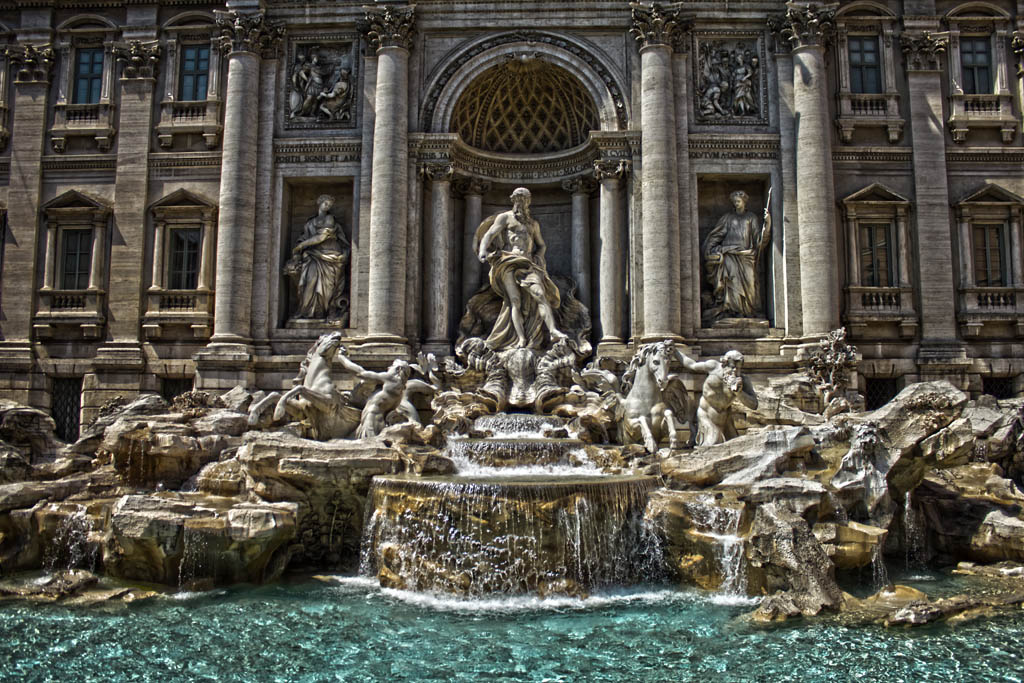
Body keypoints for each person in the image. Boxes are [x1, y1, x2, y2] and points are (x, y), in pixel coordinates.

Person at [476, 187, 566, 350]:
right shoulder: (505, 218)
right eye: (518, 199)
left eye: (524, 199)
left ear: (528, 202)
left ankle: (553, 331)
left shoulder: (533, 224)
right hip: (508, 261)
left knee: (540, 295)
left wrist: (539, 258)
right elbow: (489, 234)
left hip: (528, 263)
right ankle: (521, 339)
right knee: (514, 301)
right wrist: (483, 250)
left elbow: (541, 245)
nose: (521, 202)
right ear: (513, 201)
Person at [702, 189, 771, 320]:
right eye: (734, 202)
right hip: (730, 255)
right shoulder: (727, 218)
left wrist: (767, 224)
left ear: (744, 202)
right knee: (731, 282)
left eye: (738, 201)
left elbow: (759, 241)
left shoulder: (751, 218)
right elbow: (716, 236)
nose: (736, 204)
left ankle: (748, 312)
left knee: (750, 285)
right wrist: (711, 249)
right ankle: (731, 311)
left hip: (747, 256)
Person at [285, 194, 350, 321]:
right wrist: (299, 248)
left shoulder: (330, 219)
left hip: (331, 256)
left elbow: (321, 237)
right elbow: (303, 238)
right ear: (319, 203)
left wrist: (302, 245)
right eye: (326, 204)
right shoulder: (310, 222)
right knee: (309, 283)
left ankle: (323, 312)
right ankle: (306, 311)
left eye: (330, 205)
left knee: (327, 288)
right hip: (313, 256)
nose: (328, 207)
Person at [675, 348, 758, 446]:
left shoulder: (743, 381)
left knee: (736, 447)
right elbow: (691, 365)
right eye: (732, 367)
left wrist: (739, 393)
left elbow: (754, 405)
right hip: (706, 414)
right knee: (712, 445)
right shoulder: (713, 366)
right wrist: (675, 351)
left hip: (725, 418)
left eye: (738, 368)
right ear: (724, 363)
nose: (735, 370)